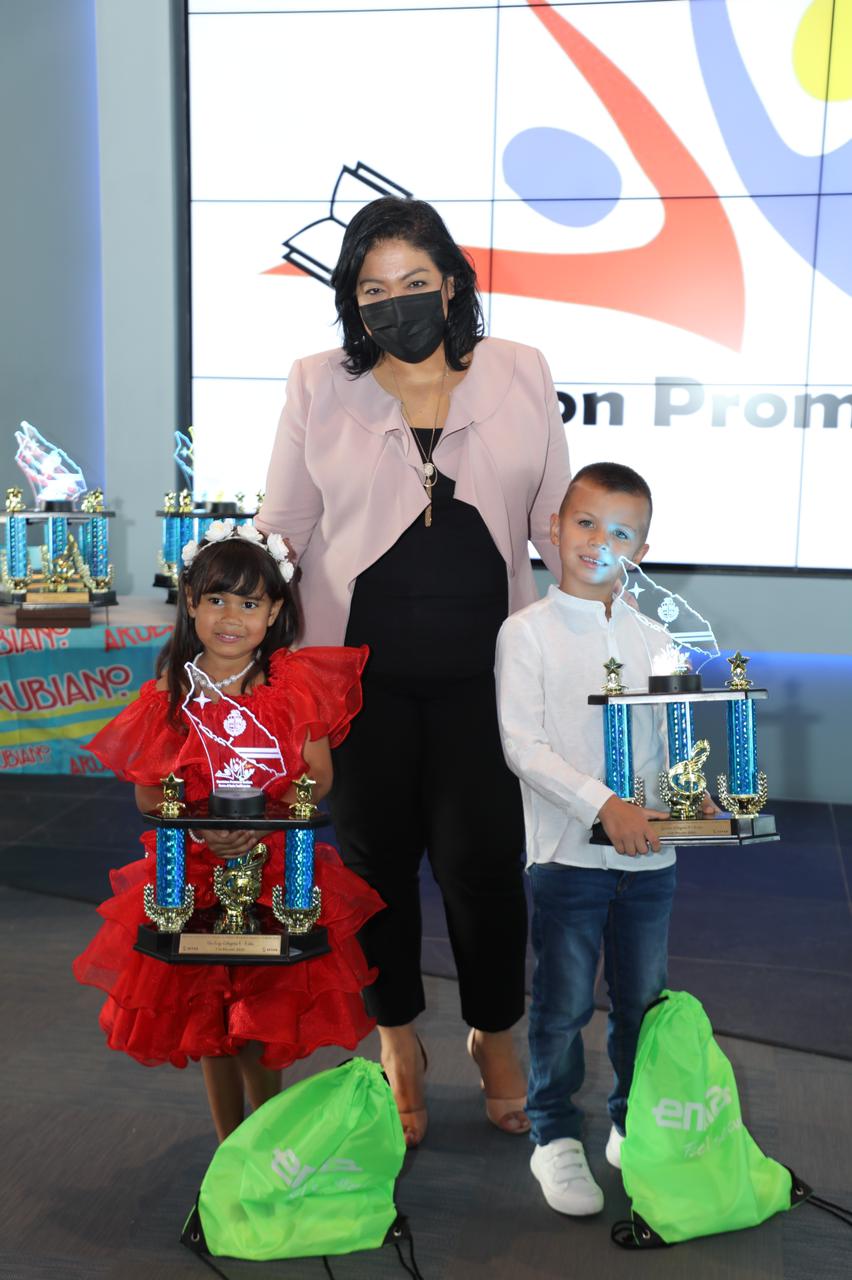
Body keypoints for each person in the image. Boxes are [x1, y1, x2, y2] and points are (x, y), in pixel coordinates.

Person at [256, 197, 571, 1147]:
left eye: (413, 284)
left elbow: (558, 526)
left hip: (490, 683)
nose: (396, 304)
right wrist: (243, 649)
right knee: (372, 870)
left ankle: (493, 1034)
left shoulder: (520, 371)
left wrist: (614, 592)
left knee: (483, 871)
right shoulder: (318, 384)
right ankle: (397, 1041)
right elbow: (285, 533)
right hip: (356, 687)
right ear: (353, 304)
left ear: (452, 284)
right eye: (372, 290)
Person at [73, 523, 383, 1142]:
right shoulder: (170, 693)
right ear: (190, 603)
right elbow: (146, 789)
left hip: (276, 871)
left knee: (262, 1016)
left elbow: (317, 776)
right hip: (189, 873)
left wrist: (258, 825)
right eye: (216, 600)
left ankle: (261, 1141)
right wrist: (206, 831)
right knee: (207, 1017)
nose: (231, 617)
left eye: (249, 603)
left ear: (274, 612)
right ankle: (226, 1143)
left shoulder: (293, 686)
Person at [496, 462, 717, 1216]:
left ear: (641, 549)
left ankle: (630, 1120)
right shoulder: (524, 633)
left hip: (650, 862)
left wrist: (690, 794)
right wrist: (604, 806)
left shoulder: (657, 640)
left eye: (620, 531)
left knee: (641, 1003)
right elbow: (523, 747)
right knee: (560, 1006)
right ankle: (553, 1135)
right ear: (555, 528)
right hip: (566, 859)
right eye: (585, 522)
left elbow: (663, 749)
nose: (599, 542)